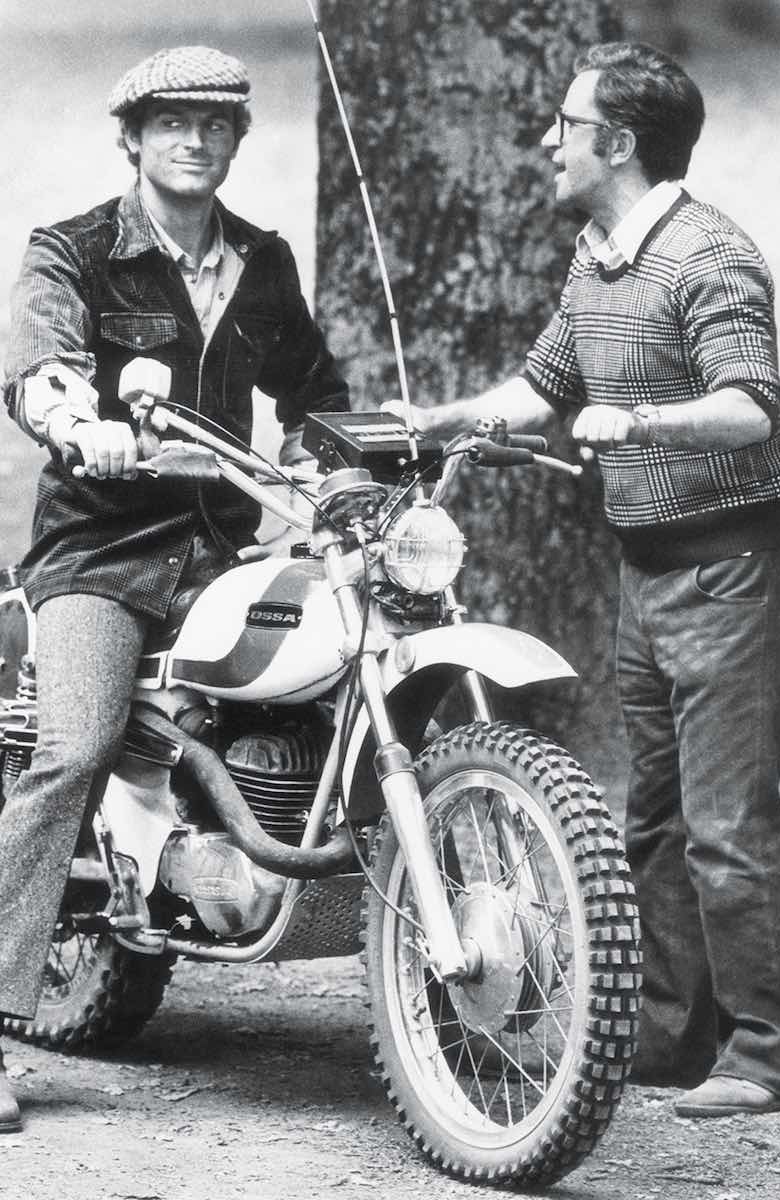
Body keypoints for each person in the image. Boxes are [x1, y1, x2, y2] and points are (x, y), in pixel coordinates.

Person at [385, 41, 780, 1118]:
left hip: (730, 572)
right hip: (645, 570)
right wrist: (441, 420)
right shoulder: (596, 251)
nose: (546, 143)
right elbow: (544, 382)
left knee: (726, 826)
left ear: (616, 142)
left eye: (563, 126)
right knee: (653, 822)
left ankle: (767, 1054)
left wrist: (646, 416)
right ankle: (670, 1033)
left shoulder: (708, 256)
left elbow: (751, 405)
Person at [0, 45, 348, 1129]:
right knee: (77, 748)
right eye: (171, 123)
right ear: (134, 137)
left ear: (236, 140)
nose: (194, 139)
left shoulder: (262, 259)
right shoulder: (74, 251)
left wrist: (337, 468)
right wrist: (77, 424)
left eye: (214, 124)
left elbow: (313, 392)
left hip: (216, 552)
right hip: (99, 554)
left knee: (338, 677)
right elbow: (37, 369)